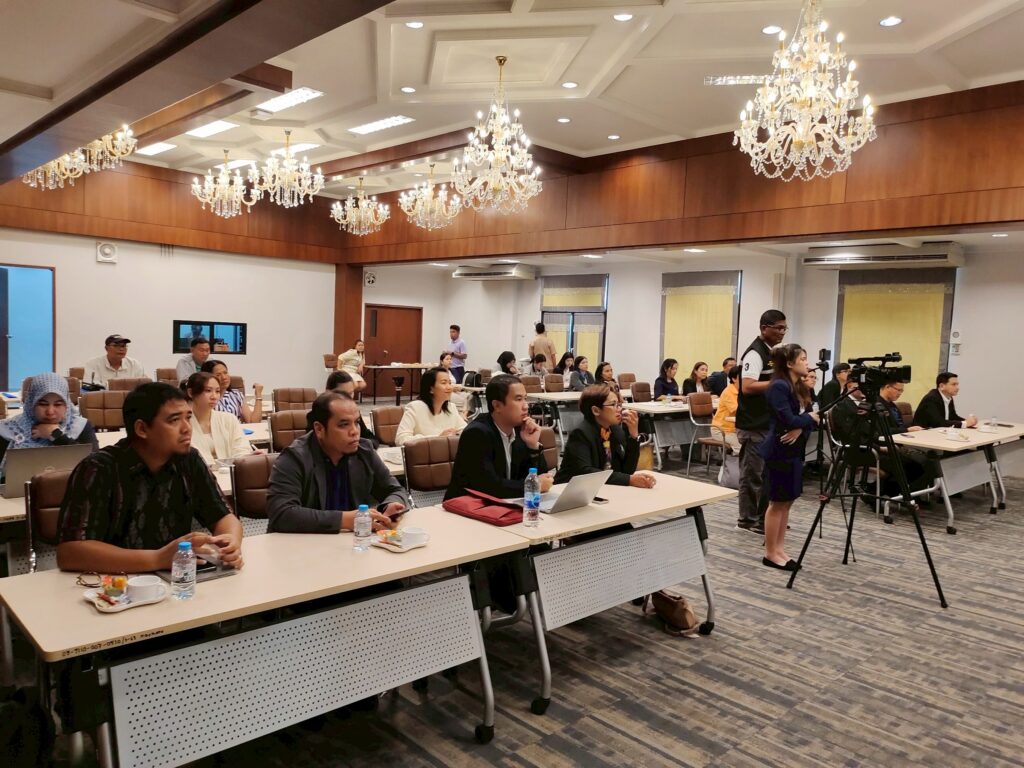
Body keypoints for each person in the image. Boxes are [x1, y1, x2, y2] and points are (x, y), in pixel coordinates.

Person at [55, 382, 244, 573]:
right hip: (112, 582)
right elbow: (70, 552)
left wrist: (231, 542)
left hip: (174, 579)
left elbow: (223, 516)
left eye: (188, 417)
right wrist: (157, 559)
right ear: (142, 429)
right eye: (174, 420)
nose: (187, 428)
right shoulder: (99, 468)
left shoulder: (188, 460)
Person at [267, 392, 408, 534]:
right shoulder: (294, 458)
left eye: (357, 422)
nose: (354, 431)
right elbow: (281, 514)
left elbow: (395, 490)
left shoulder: (364, 450)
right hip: (301, 541)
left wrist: (391, 505)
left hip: (351, 541)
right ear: (319, 429)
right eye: (344, 425)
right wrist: (345, 520)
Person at [759, 344, 819, 571]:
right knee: (777, 503)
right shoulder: (779, 386)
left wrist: (802, 426)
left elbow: (807, 417)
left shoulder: (798, 386)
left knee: (787, 502)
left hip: (793, 450)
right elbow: (789, 419)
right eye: (802, 359)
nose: (807, 363)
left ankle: (780, 548)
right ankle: (770, 553)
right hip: (779, 450)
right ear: (789, 363)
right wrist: (807, 421)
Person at [446, 374, 552, 500]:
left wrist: (532, 446)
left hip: (507, 503)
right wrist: (533, 486)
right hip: (469, 505)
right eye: (518, 399)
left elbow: (542, 477)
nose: (526, 406)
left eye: (525, 398)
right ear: (497, 406)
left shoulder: (520, 429)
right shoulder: (477, 433)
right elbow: (488, 486)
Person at [735, 309, 788, 535]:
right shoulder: (755, 353)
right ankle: (747, 520)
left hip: (767, 423)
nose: (782, 332)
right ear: (764, 328)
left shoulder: (771, 352)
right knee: (752, 474)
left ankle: (763, 518)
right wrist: (779, 383)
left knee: (766, 474)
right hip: (753, 424)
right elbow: (747, 386)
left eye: (784, 328)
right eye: (778, 328)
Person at [555, 385, 655, 488]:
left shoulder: (615, 430)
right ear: (596, 410)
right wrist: (628, 479)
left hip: (601, 488)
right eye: (613, 404)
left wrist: (634, 436)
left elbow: (627, 470)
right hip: (567, 490)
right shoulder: (580, 433)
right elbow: (586, 472)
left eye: (619, 404)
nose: (619, 409)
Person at [0, 373, 99, 472]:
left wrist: (57, 436)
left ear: (67, 405)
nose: (50, 412)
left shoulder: (79, 426)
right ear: (31, 404)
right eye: (43, 404)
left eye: (58, 404)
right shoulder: (8, 429)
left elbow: (95, 465)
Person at [183, 372, 253, 465]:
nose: (214, 397)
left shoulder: (229, 419)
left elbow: (242, 448)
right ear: (191, 393)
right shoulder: (182, 424)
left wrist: (243, 459)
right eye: (208, 391)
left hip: (230, 471)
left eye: (217, 391)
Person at [395, 367, 467, 446]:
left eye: (449, 383)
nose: (449, 387)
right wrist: (438, 438)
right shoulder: (415, 407)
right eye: (444, 383)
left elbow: (466, 431)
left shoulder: (451, 407)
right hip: (423, 453)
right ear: (431, 389)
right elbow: (400, 439)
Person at [325, 371, 377, 446]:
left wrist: (357, 447)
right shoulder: (319, 413)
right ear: (328, 392)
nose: (348, 398)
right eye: (343, 394)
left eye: (351, 393)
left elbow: (371, 439)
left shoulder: (354, 413)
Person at [913, 372, 978, 430]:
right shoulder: (931, 398)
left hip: (938, 432)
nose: (957, 388)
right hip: (922, 434)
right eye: (953, 384)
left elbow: (953, 417)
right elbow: (939, 423)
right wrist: (965, 423)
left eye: (957, 384)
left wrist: (968, 421)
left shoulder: (949, 397)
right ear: (942, 386)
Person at [711, 365, 741, 455]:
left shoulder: (742, 391)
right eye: (742, 377)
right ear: (734, 379)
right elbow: (737, 410)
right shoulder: (729, 392)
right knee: (742, 447)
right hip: (721, 430)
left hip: (734, 429)